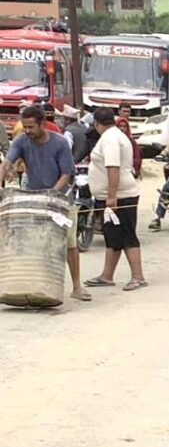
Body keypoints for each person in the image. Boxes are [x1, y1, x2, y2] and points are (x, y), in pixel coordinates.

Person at [0, 105, 89, 301]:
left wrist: (52, 196)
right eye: (25, 127)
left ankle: (76, 287)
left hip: (62, 199)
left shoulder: (60, 143)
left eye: (31, 127)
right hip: (33, 198)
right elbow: (7, 162)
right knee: (31, 242)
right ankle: (32, 286)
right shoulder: (22, 140)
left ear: (42, 124)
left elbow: (66, 174)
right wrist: (2, 176)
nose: (28, 131)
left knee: (69, 243)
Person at [84, 107, 147, 292]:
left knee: (127, 235)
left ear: (96, 123)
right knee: (112, 236)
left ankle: (138, 277)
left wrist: (112, 197)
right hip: (111, 196)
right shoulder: (115, 135)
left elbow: (113, 167)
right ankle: (107, 275)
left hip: (120, 196)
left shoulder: (111, 139)